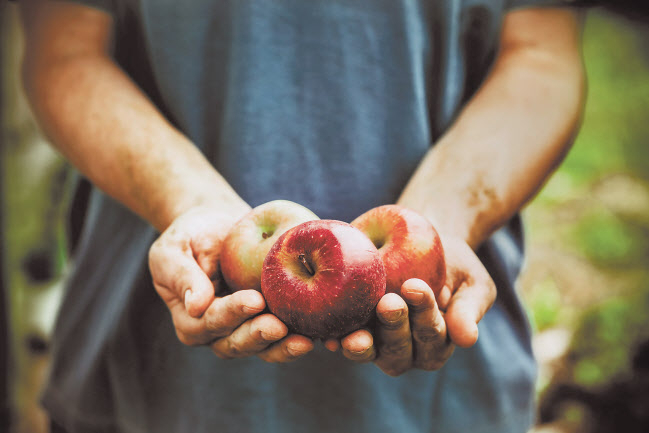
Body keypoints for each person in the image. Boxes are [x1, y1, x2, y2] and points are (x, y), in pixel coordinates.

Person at [19, 0, 585, 432]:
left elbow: (540, 52)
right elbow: (63, 52)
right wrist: (187, 202)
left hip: (444, 394)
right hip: (148, 374)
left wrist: (448, 215)